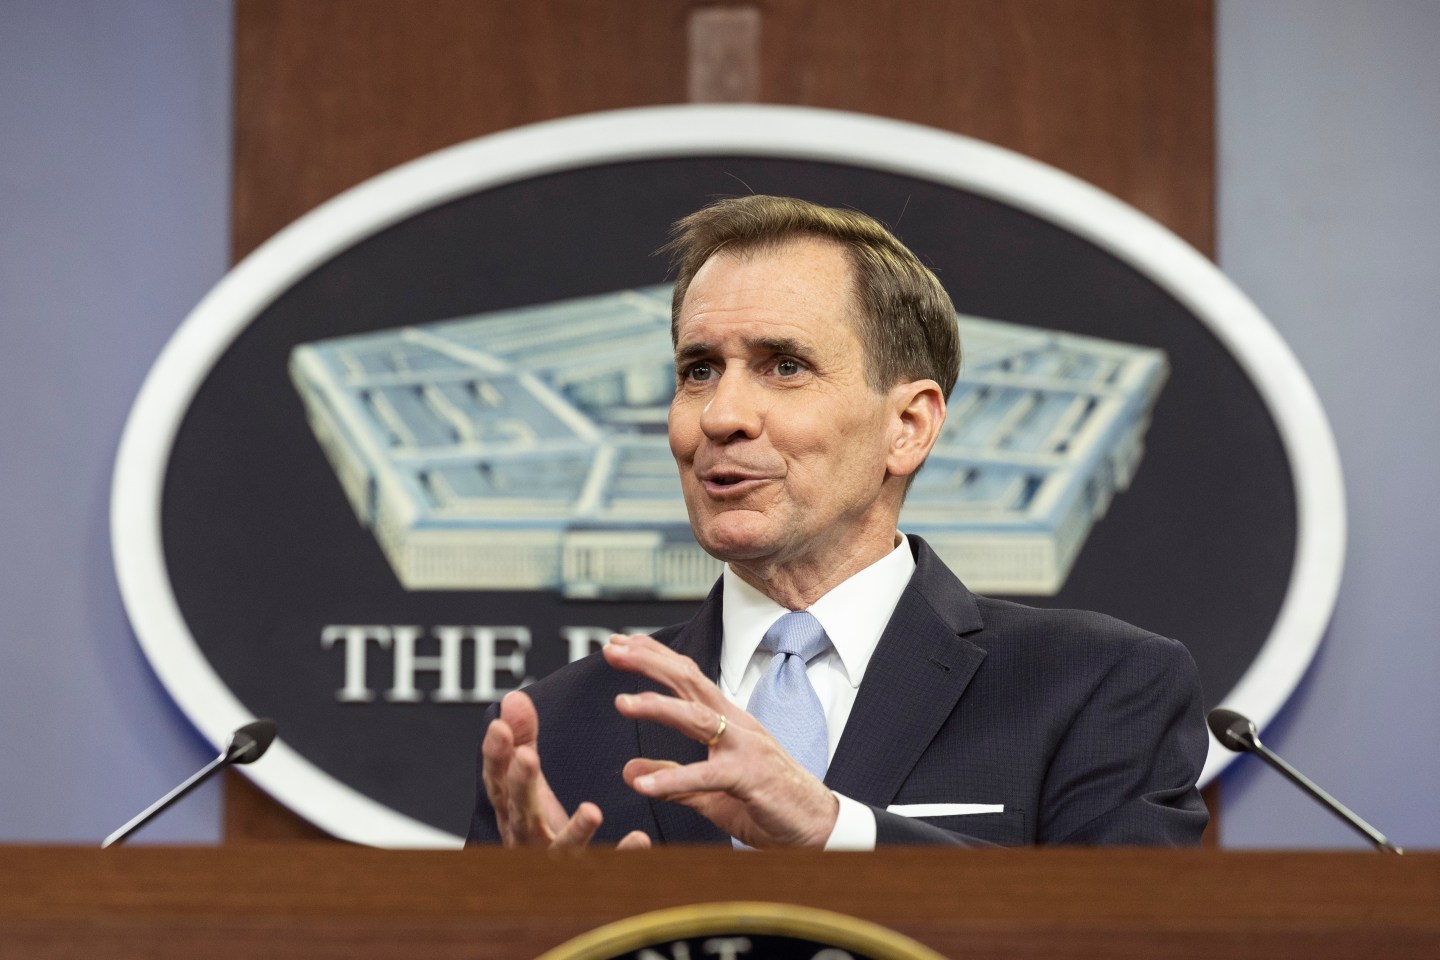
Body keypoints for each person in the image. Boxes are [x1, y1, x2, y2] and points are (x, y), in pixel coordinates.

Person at [467, 195, 1208, 850]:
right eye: (699, 371)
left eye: (784, 366)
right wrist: (543, 928)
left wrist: (834, 832)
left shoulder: (1094, 685)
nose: (721, 416)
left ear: (908, 426)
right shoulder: (554, 726)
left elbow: (1119, 935)